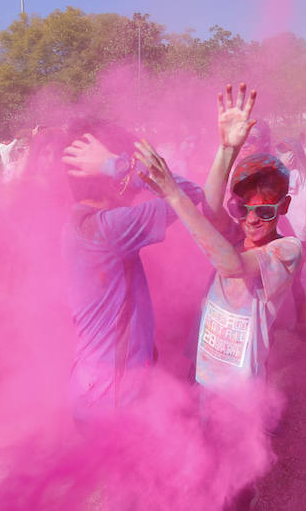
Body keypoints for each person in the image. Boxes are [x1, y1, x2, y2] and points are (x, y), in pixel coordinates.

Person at [134, 83, 301, 511]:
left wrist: (173, 192)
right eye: (243, 208)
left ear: (282, 209)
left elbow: (229, 263)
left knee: (237, 477)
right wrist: (227, 149)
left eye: (264, 211)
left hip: (242, 392)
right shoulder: (238, 227)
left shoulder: (286, 249)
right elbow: (209, 213)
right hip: (205, 376)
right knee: (207, 461)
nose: (250, 219)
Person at [59, 118, 203, 419]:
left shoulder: (79, 223)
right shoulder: (110, 228)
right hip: (116, 397)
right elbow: (190, 194)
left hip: (94, 387)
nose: (132, 169)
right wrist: (119, 167)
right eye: (125, 161)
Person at [275, 137, 306, 333]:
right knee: (294, 281)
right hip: (302, 233)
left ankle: (297, 322)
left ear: (293, 155)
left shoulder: (292, 175)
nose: (280, 154)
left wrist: (282, 167)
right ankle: (299, 321)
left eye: (283, 151)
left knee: (283, 280)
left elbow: (276, 187)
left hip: (291, 233)